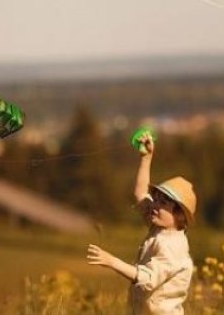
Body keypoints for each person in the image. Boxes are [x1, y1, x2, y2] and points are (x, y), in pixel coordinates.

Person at [86, 131, 196, 315]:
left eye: (163, 203)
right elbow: (140, 195)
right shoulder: (160, 227)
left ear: (179, 215)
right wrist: (146, 158)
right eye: (156, 199)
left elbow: (147, 278)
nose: (154, 204)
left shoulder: (173, 247)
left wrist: (112, 262)